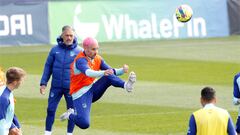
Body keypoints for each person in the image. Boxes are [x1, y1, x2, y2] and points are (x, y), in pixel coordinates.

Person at [59, 37, 136, 130]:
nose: (96, 52)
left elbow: (110, 71)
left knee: (108, 76)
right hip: (80, 94)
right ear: (86, 49)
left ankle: (126, 85)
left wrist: (122, 70)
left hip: (93, 89)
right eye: (93, 49)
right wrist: (103, 72)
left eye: (97, 48)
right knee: (84, 124)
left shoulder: (97, 58)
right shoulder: (80, 60)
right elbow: (88, 72)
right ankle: (70, 115)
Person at [40, 25, 83, 135]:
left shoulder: (80, 52)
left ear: (74, 36)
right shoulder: (54, 50)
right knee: (50, 109)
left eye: (71, 35)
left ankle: (69, 134)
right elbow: (48, 66)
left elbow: (86, 69)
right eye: (67, 35)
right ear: (62, 36)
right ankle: (47, 133)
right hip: (56, 86)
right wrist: (43, 83)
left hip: (72, 88)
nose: (69, 38)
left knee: (72, 111)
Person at [0, 67, 26, 135]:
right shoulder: (4, 98)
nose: (21, 82)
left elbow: (8, 113)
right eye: (21, 80)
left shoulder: (7, 92)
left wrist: (15, 126)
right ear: (15, 82)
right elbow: (1, 121)